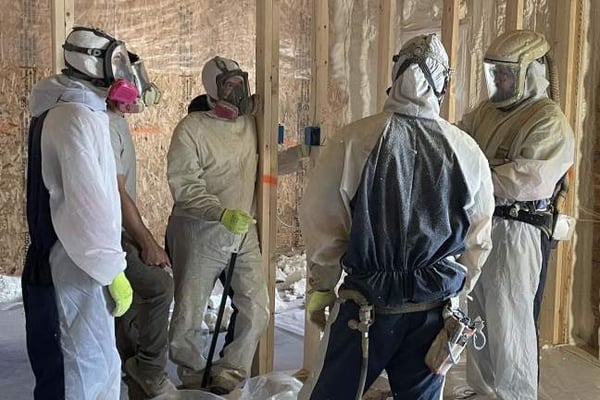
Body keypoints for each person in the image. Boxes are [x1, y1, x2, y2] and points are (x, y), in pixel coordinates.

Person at [298, 33, 495, 399]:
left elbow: (323, 226)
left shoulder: (354, 141)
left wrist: (322, 291)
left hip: (366, 311)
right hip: (432, 313)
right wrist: (458, 294)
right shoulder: (467, 151)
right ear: (444, 84)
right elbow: (479, 240)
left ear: (395, 72)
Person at [460, 30, 575, 400]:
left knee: (509, 318)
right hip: (482, 223)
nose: (499, 81)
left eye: (507, 74)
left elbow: (525, 181)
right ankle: (483, 390)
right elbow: (459, 149)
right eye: (495, 73)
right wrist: (483, 171)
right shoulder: (486, 112)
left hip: (519, 230)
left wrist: (477, 173)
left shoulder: (548, 120)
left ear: (531, 72)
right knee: (476, 311)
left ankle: (515, 395)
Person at [23, 26, 135, 399]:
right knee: (78, 373)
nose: (123, 74)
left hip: (80, 265)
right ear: (92, 65)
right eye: (116, 63)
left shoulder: (82, 111)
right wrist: (111, 269)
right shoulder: (73, 116)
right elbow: (87, 207)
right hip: (72, 266)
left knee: (99, 365)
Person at [166, 56, 269, 394]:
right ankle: (194, 375)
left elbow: (264, 163)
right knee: (189, 314)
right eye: (229, 86)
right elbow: (185, 186)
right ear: (213, 89)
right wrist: (219, 213)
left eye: (241, 84)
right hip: (199, 232)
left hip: (243, 232)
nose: (238, 92)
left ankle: (230, 373)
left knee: (256, 308)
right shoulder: (192, 129)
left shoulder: (251, 125)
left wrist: (302, 155)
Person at [107, 54, 177, 397]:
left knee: (132, 309)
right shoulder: (104, 123)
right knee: (159, 286)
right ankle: (148, 368)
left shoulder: (113, 120)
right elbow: (116, 193)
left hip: (115, 231)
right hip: (111, 233)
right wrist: (147, 242)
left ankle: (138, 381)